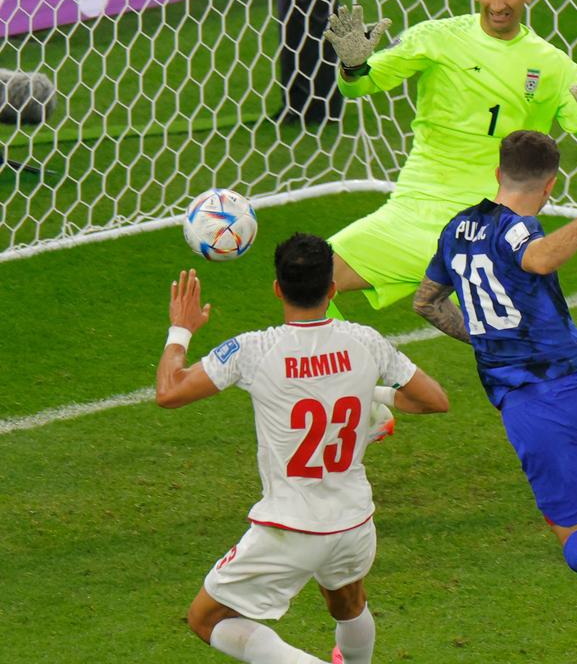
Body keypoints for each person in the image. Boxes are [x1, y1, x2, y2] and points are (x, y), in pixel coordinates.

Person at [154, 234, 450, 664]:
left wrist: (180, 329)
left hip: (289, 527)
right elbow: (434, 400)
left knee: (205, 620)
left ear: (277, 288)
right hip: (353, 522)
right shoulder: (366, 341)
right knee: (347, 604)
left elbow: (169, 391)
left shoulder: (253, 350)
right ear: (331, 289)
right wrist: (376, 395)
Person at [321, 0, 577, 319]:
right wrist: (354, 66)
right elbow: (359, 87)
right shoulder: (436, 38)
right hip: (411, 210)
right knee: (307, 280)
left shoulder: (553, 65)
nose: (497, 3)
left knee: (518, 340)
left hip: (487, 225)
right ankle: (347, 374)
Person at [411, 130, 577, 607]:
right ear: (551, 185)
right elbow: (538, 259)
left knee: (572, 532)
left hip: (523, 410)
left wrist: (485, 337)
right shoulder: (520, 228)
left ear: (498, 173)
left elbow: (426, 302)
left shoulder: (455, 230)